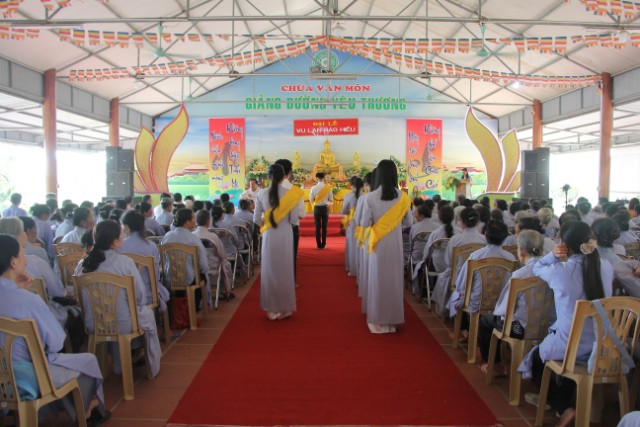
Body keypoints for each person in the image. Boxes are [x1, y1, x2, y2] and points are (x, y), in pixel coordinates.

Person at [0, 234, 110, 426]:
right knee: (88, 361)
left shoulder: (20, 296)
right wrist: (23, 293)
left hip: (3, 376)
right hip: (26, 378)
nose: (26, 260)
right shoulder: (28, 300)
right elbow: (56, 342)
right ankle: (87, 411)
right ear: (13, 262)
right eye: (22, 254)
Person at [518, 220, 613, 427]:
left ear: (564, 245)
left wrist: (553, 255)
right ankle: (563, 401)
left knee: (534, 359)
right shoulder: (606, 267)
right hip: (603, 345)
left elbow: (536, 266)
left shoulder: (560, 271)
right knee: (564, 353)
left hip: (570, 345)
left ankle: (563, 407)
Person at [75, 220, 161, 379]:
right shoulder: (125, 263)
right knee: (144, 312)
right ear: (115, 242)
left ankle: (118, 364)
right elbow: (140, 296)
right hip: (124, 324)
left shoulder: (82, 264)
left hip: (94, 323)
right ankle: (151, 366)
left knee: (121, 311)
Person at [478, 230, 547, 374]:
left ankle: (494, 365)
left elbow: (503, 309)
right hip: (546, 325)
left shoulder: (520, 275)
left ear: (521, 251)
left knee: (485, 320)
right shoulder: (551, 271)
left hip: (520, 328)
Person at [360, 159, 413, 333]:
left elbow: (365, 223)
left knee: (378, 281)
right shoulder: (403, 197)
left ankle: (378, 320)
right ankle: (392, 320)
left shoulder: (370, 198)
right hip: (395, 245)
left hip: (377, 245)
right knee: (393, 282)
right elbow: (409, 222)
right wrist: (393, 224)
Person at [253, 164, 303, 320]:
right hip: (285, 235)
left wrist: (267, 224)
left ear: (268, 176)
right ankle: (285, 307)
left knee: (269, 271)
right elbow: (294, 220)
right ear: (284, 176)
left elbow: (256, 219)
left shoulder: (261, 194)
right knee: (285, 271)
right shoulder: (291, 194)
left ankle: (271, 308)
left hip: (269, 235)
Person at [448, 220, 516, 322]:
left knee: (457, 294)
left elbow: (461, 284)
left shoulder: (476, 256)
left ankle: (464, 325)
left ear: (485, 234)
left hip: (476, 303)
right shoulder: (511, 258)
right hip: (502, 303)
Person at [432, 207, 486, 317]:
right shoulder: (484, 240)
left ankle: (446, 312)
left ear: (462, 221)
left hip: (458, 279)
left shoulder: (456, 239)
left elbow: (448, 262)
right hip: (479, 279)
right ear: (477, 222)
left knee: (443, 276)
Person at [118, 211, 170, 311]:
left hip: (124, 296)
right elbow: (156, 276)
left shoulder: (119, 247)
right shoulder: (151, 246)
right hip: (149, 295)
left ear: (126, 227)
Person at [161, 208, 209, 309]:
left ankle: (178, 307)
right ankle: (193, 308)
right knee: (203, 277)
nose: (195, 221)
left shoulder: (167, 236)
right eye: (193, 218)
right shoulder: (193, 238)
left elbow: (163, 260)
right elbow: (203, 265)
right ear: (187, 222)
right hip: (189, 278)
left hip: (170, 277)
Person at [192, 209, 235, 300]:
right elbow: (222, 254)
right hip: (213, 264)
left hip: (195, 265)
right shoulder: (213, 236)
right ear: (208, 221)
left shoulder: (192, 235)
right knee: (226, 264)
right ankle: (225, 291)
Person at [276, 158, 306, 284]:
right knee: (290, 256)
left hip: (272, 228)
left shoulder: (266, 191)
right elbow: (301, 214)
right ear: (290, 173)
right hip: (291, 228)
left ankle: (275, 281)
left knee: (275, 257)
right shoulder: (296, 191)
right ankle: (290, 282)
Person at [341, 176, 363, 276]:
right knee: (362, 246)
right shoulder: (366, 196)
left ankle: (352, 268)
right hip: (363, 223)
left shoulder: (348, 196)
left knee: (352, 246)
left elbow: (343, 211)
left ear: (351, 185)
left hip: (353, 222)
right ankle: (362, 268)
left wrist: (352, 212)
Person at [309, 172, 333, 249]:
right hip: (325, 208)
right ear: (324, 178)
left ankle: (318, 245)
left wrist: (317, 201)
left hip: (317, 208)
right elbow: (331, 199)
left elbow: (311, 200)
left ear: (317, 178)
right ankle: (323, 244)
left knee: (317, 227)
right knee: (324, 226)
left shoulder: (313, 188)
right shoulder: (328, 187)